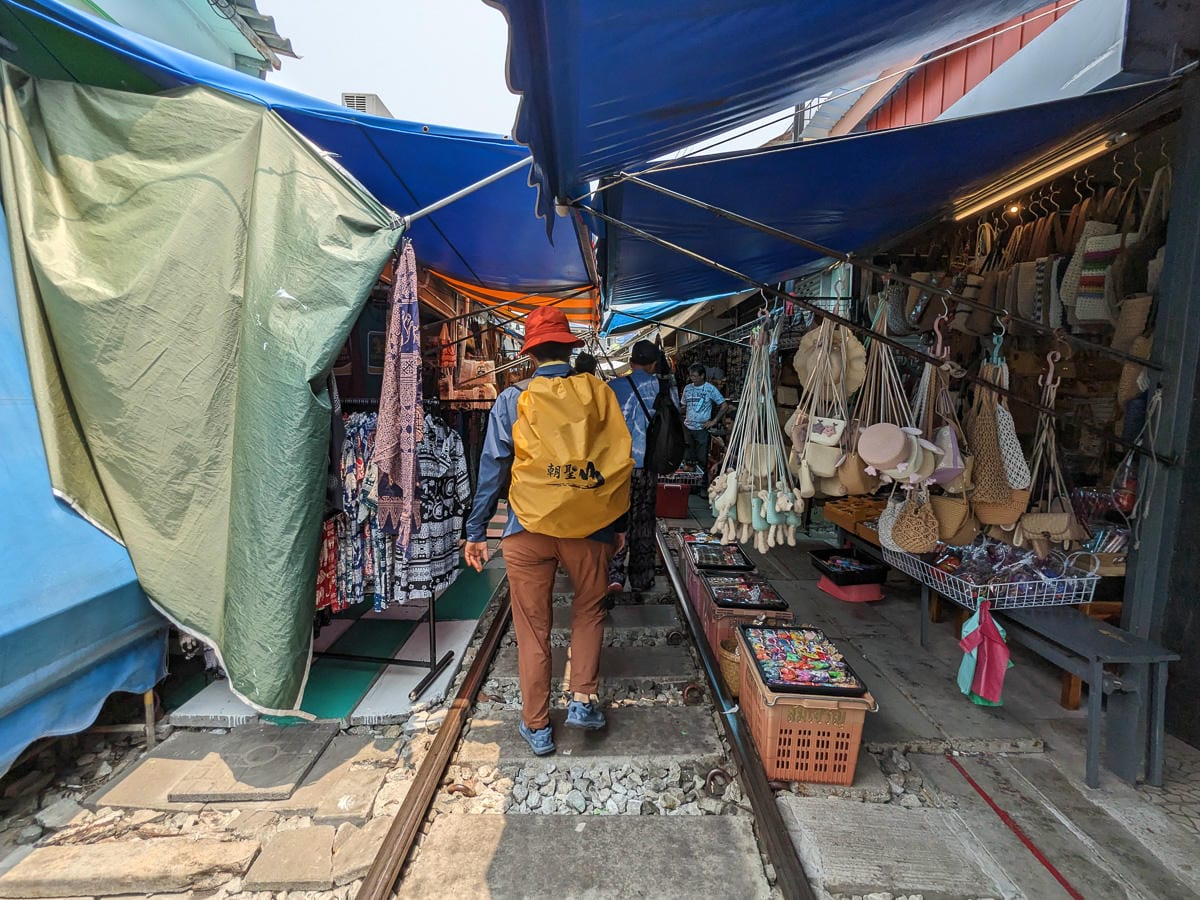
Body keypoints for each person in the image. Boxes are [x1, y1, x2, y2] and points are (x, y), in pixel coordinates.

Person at [463, 307, 628, 757]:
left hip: (525, 529)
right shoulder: (600, 394)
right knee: (589, 610)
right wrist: (616, 525)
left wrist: (476, 529)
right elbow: (618, 466)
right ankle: (581, 700)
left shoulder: (512, 398)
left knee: (533, 628)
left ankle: (537, 727)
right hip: (588, 527)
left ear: (530, 352)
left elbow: (493, 468)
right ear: (570, 349)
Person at [608, 340, 680, 598]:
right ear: (652, 364)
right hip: (648, 467)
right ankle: (641, 578)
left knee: (616, 520)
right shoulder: (664, 386)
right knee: (643, 522)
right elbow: (675, 418)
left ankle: (613, 575)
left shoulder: (612, 387)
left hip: (616, 468)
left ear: (631, 362)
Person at [681, 363, 728, 490]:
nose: (692, 379)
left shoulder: (710, 389)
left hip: (702, 429)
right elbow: (684, 406)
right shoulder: (687, 388)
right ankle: (689, 487)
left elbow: (724, 406)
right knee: (688, 459)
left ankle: (702, 488)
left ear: (702, 376)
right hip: (687, 428)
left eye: (695, 376)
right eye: (691, 376)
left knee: (702, 460)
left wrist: (713, 421)